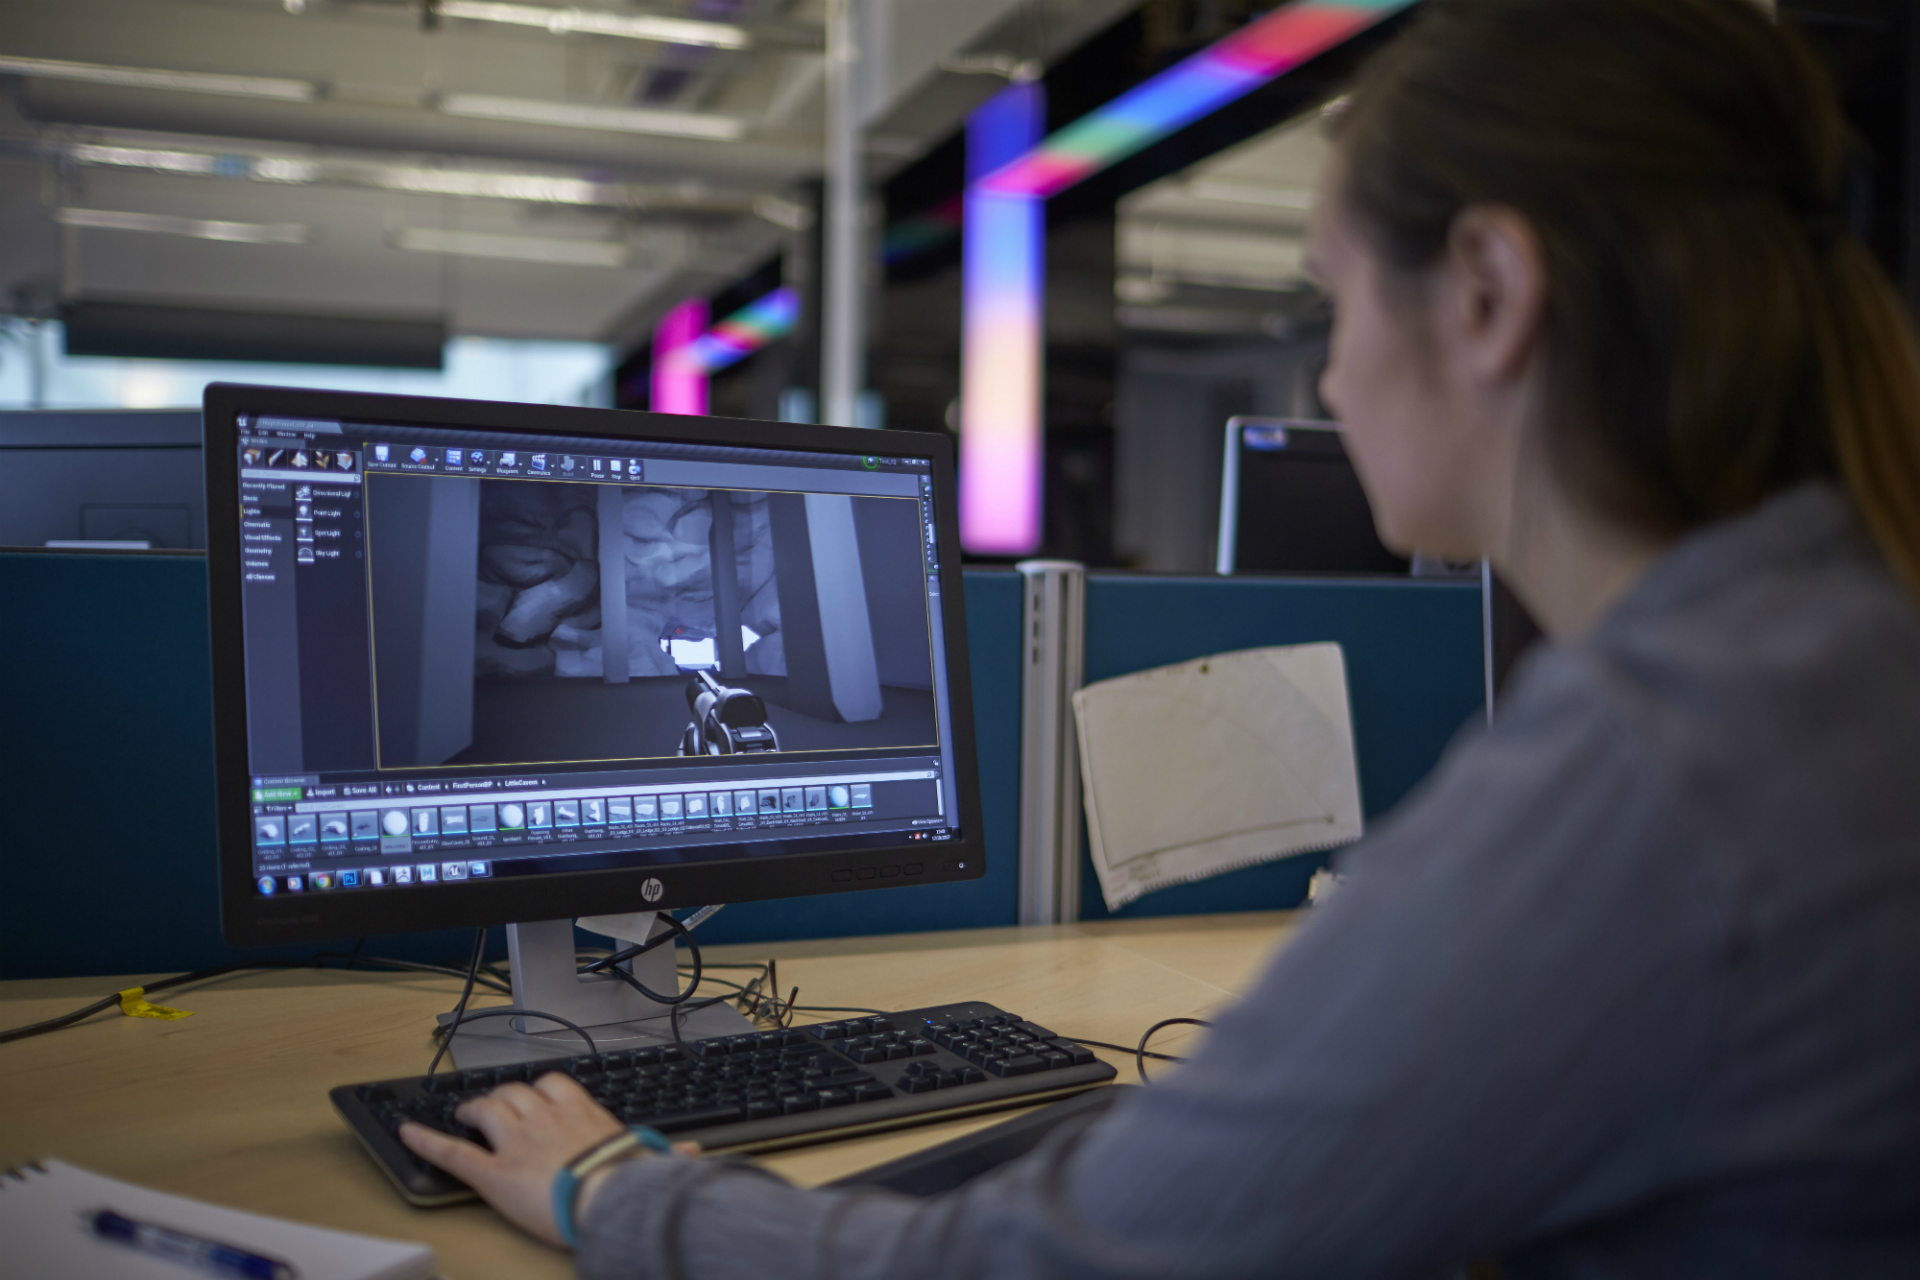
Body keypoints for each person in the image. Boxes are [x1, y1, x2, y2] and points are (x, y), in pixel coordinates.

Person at [400, 0, 1920, 1273]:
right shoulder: (1831, 651)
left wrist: (618, 1189)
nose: (1327, 383)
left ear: (1487, 292)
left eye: (1329, 304)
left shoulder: (1656, 773)